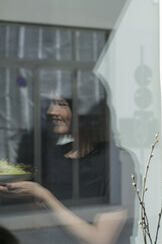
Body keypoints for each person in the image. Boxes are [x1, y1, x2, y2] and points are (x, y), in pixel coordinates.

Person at [0, 75, 135, 244]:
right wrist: (23, 195)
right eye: (51, 103)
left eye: (61, 104)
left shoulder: (119, 162)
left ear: (85, 110)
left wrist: (43, 195)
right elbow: (42, 226)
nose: (51, 111)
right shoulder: (53, 156)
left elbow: (101, 240)